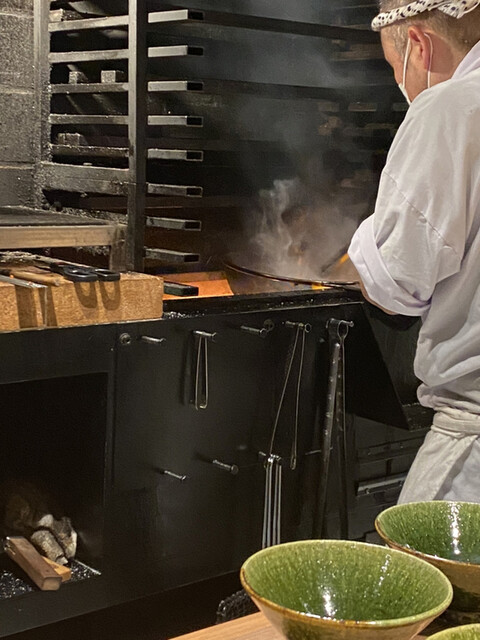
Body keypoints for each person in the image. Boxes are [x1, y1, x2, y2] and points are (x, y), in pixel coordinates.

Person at [346, 0, 480, 503]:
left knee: (419, 553)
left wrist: (364, 251)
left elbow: (397, 280)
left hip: (474, 442)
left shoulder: (452, 107)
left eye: (392, 65)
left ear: (419, 44)